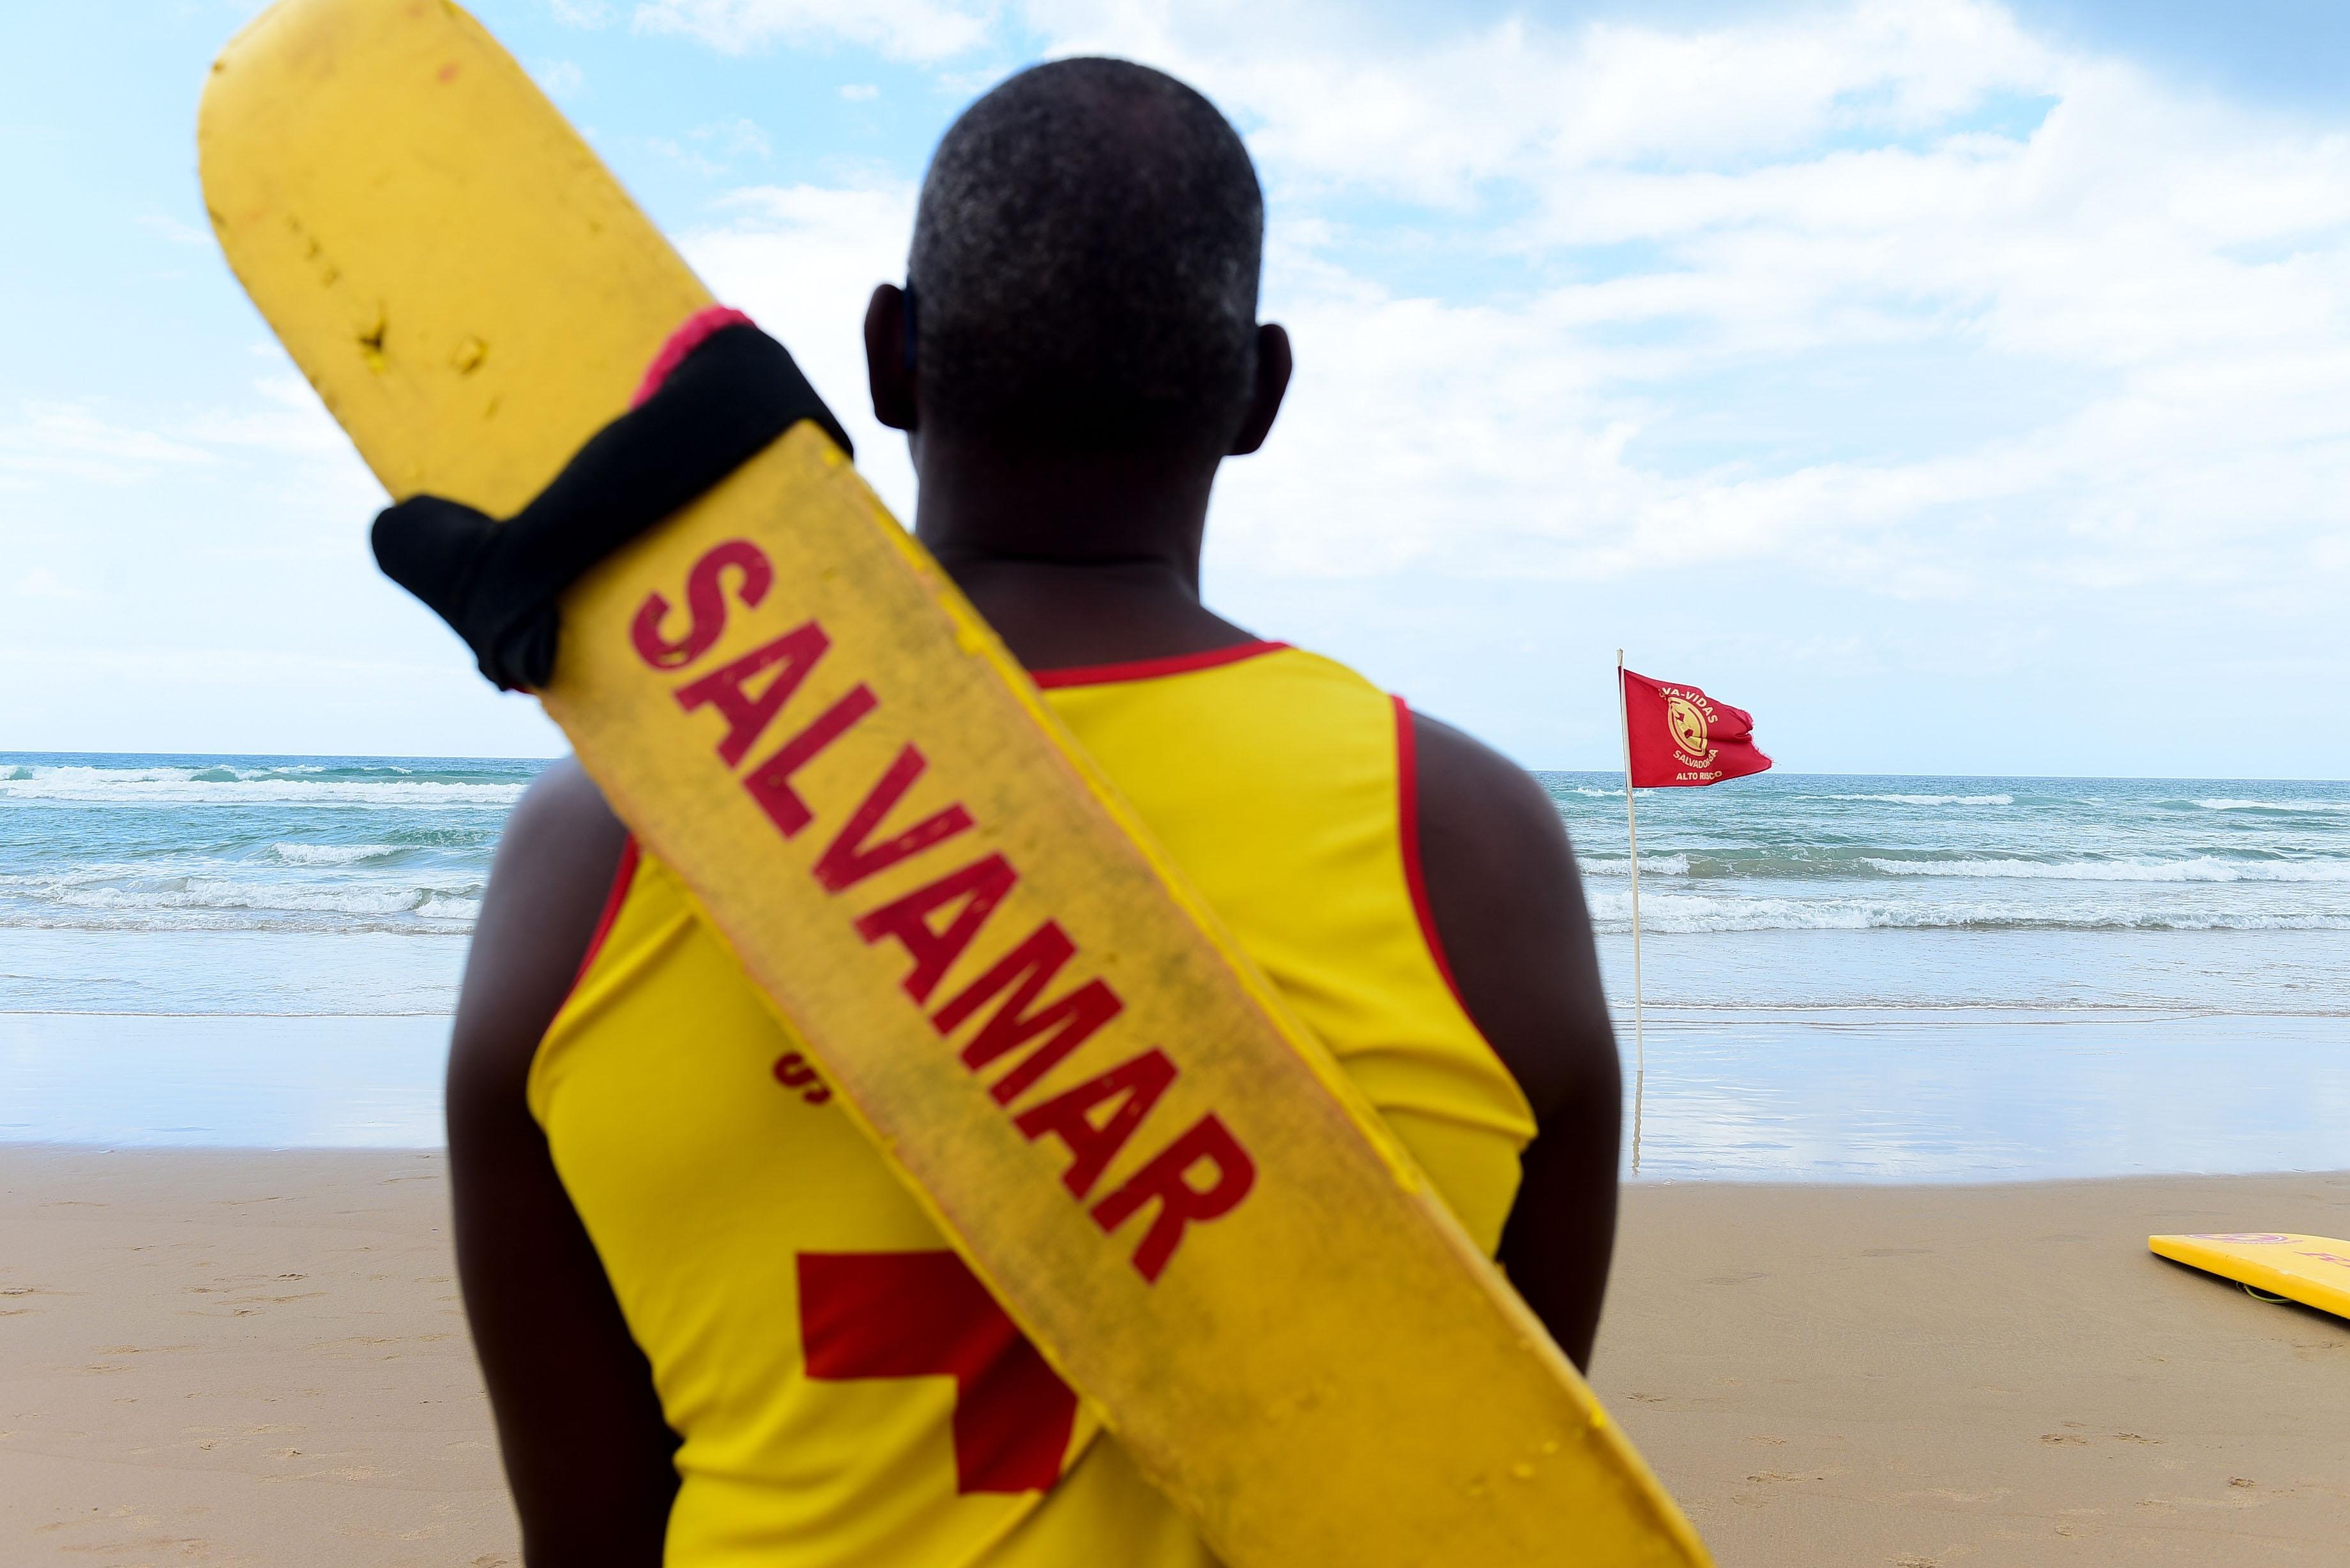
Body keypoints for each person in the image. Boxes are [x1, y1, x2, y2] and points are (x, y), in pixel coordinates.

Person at [448, 57, 1620, 1567]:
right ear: (1258, 393)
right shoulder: (1470, 853)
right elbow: (1488, 1503)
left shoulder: (595, 855)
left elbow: (589, 1538)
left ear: (888, 358)